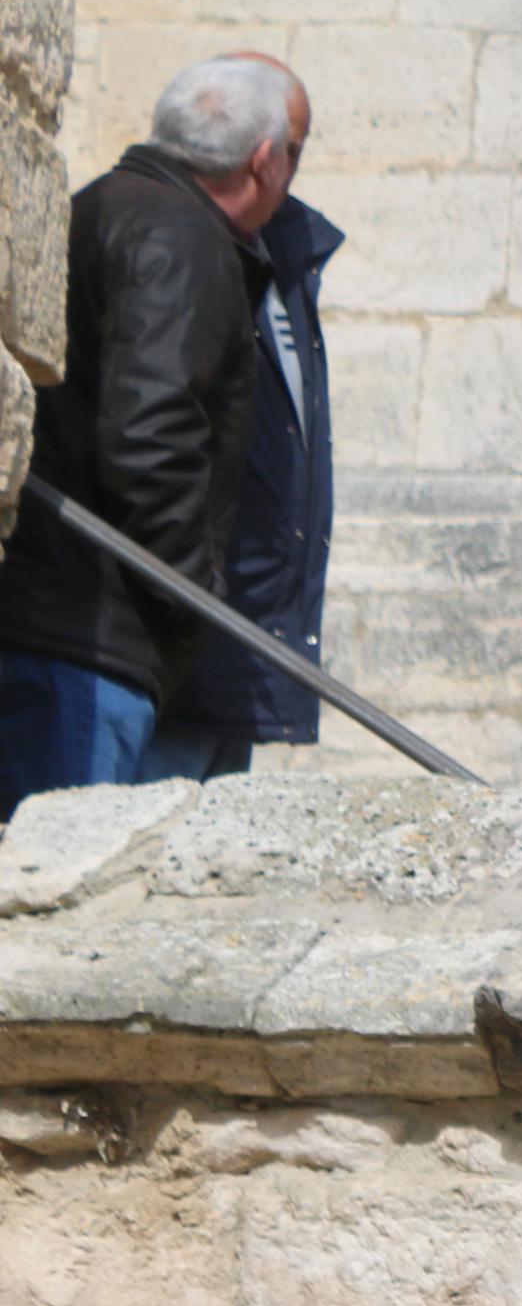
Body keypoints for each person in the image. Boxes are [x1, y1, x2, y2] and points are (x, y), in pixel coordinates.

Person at [0, 56, 301, 809]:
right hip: (89, 642)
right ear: (264, 161)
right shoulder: (184, 238)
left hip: (63, 626)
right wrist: (190, 594)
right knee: (61, 912)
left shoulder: (109, 203)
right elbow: (148, 434)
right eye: (295, 151)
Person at [152, 54, 334, 783]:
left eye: (294, 148)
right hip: (174, 641)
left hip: (242, 645)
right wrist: (186, 597)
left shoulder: (286, 259)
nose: (279, 167)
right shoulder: (167, 242)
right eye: (280, 148)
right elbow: (147, 438)